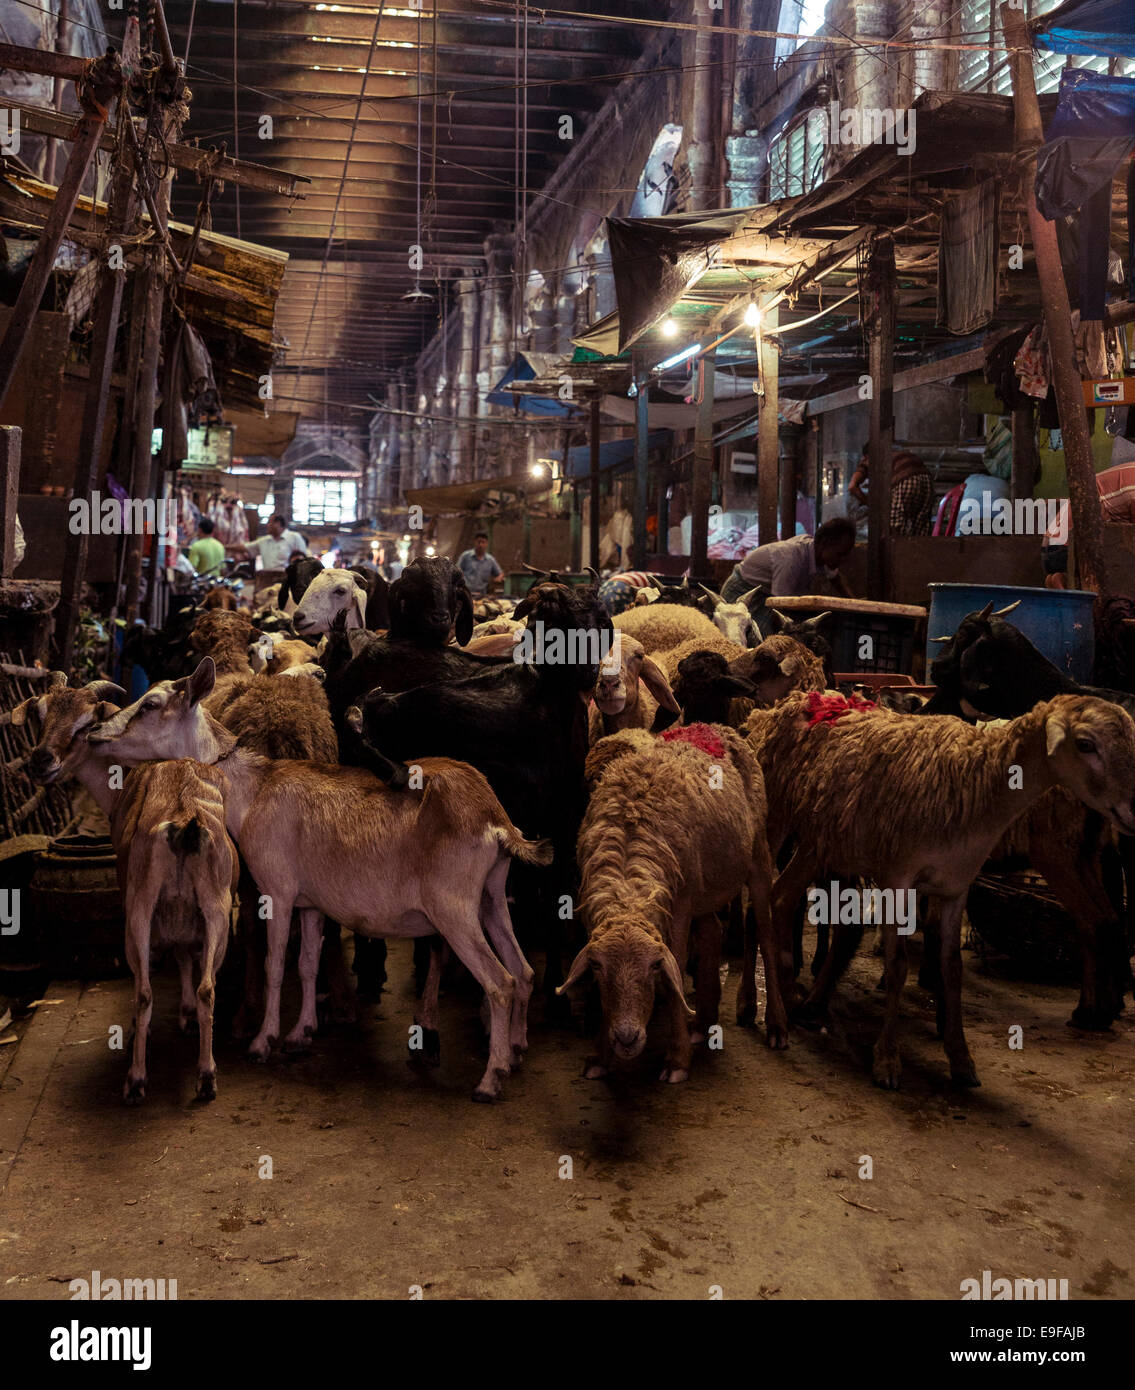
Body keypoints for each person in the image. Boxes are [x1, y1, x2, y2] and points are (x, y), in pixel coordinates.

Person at [721, 516, 857, 636]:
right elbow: (779, 607)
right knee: (763, 638)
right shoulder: (791, 558)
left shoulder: (820, 555)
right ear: (823, 544)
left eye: (846, 554)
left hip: (767, 595)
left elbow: (836, 579)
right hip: (742, 591)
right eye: (840, 554)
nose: (843, 560)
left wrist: (855, 605)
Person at [848, 445, 934, 537]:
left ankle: (896, 549)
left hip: (905, 480)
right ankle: (918, 550)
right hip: (927, 479)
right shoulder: (900, 455)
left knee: (895, 524)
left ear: (866, 456)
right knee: (920, 525)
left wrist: (869, 504)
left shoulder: (869, 459)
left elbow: (852, 486)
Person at [233, 514, 309, 571]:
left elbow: (303, 560)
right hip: (267, 578)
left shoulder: (295, 537)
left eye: (270, 522)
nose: (267, 525)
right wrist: (225, 546)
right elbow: (245, 547)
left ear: (278, 524)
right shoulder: (264, 541)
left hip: (287, 579)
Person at [456, 531, 502, 597]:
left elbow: (500, 574)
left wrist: (498, 579)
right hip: (465, 594)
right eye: (479, 542)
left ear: (487, 544)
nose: (480, 545)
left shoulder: (490, 560)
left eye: (483, 542)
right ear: (475, 542)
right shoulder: (465, 556)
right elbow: (457, 571)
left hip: (482, 596)